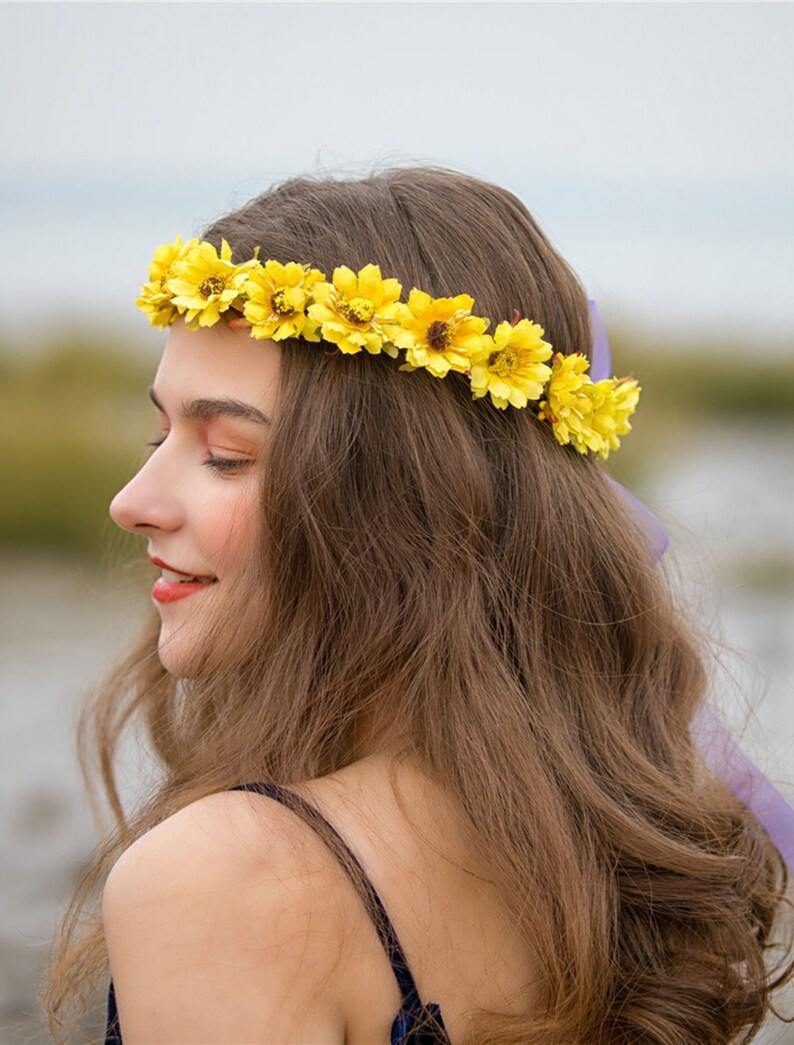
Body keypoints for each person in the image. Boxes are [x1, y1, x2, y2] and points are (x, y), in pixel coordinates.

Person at [44, 167, 793, 1044]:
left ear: (399, 502)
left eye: (226, 453)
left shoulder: (230, 877)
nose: (131, 499)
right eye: (158, 433)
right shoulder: (600, 848)